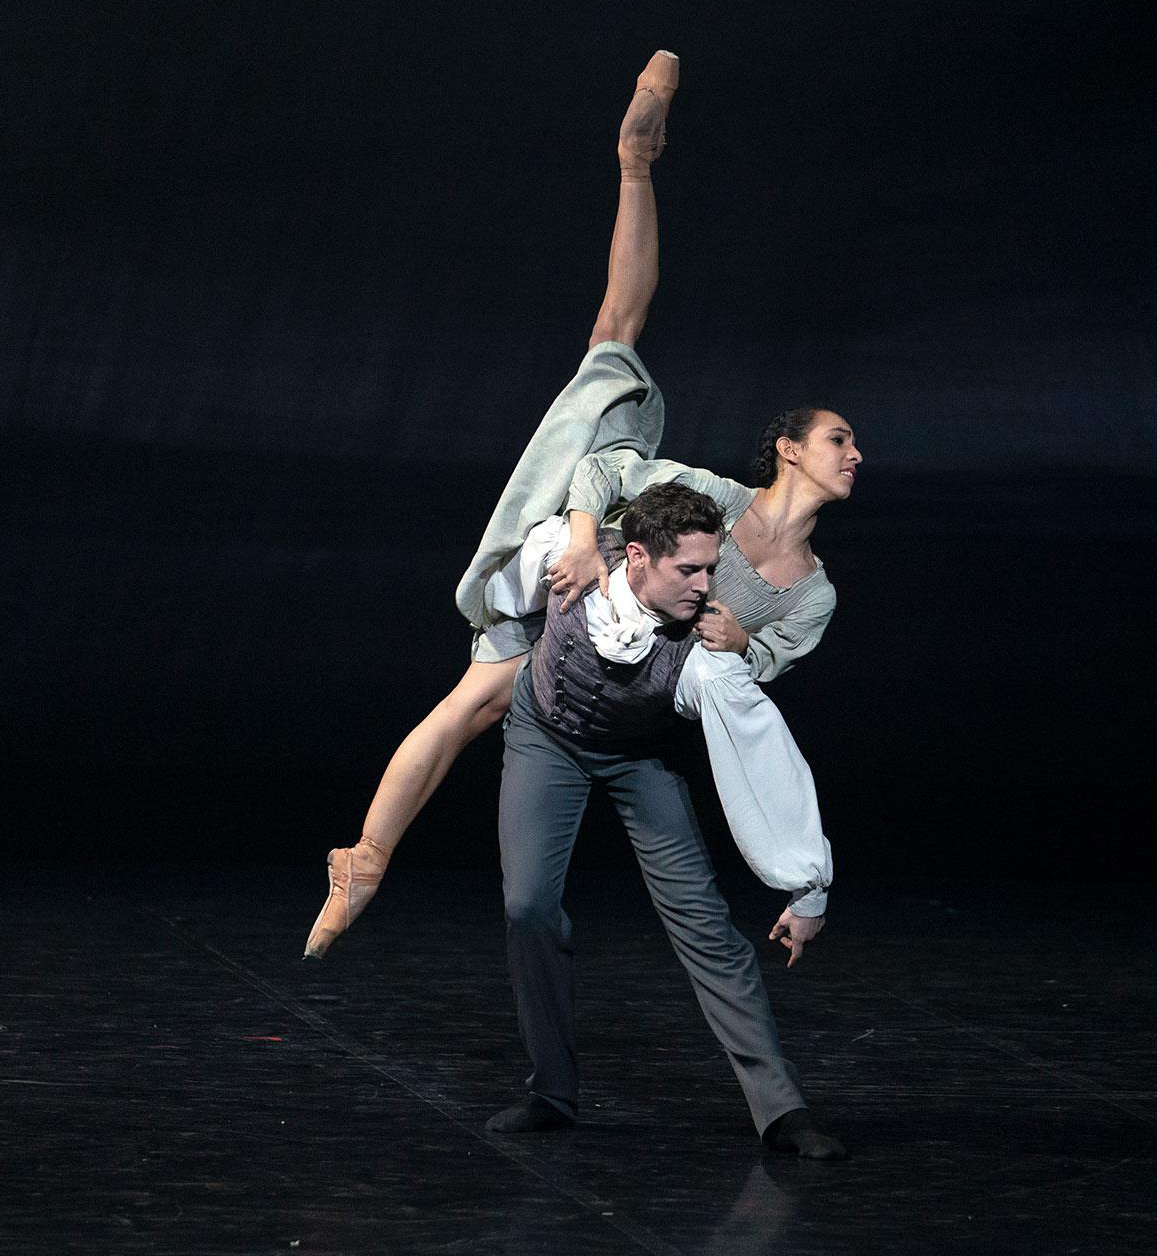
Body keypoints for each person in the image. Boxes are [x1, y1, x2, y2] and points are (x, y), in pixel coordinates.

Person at [305, 49, 863, 960]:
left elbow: (749, 690)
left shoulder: (813, 594)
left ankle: (365, 861)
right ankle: (365, 858)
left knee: (481, 702)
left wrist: (741, 643)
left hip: (623, 664)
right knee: (612, 346)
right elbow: (603, 480)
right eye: (840, 439)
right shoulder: (715, 501)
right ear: (791, 449)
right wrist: (577, 539)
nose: (855, 456)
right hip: (575, 572)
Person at [482, 479, 846, 1158]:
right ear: (640, 556)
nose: (706, 585)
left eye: (712, 568)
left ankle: (783, 1110)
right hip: (547, 737)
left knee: (705, 925)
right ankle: (551, 1092)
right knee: (528, 905)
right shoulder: (573, 555)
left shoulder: (708, 657)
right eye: (690, 569)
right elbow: (505, 581)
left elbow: (764, 755)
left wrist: (808, 883)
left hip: (639, 757)